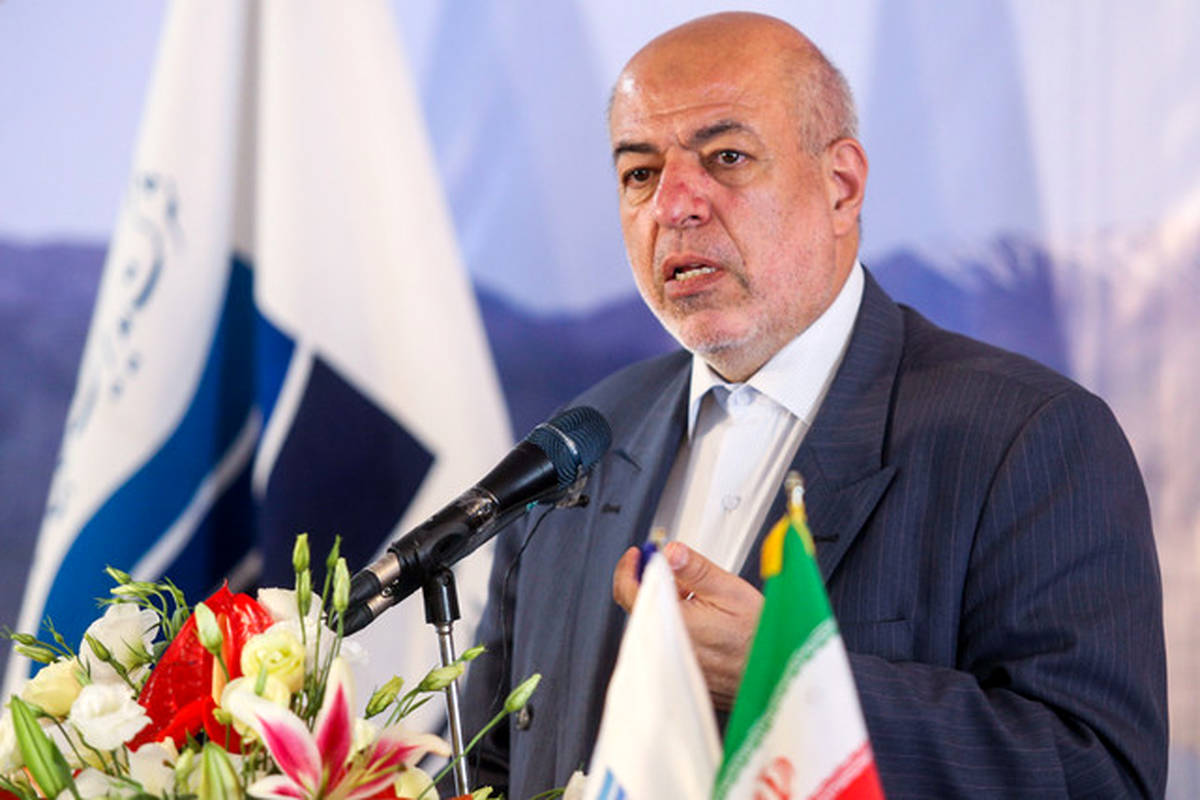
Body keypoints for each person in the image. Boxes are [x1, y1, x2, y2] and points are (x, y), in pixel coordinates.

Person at [459, 12, 1167, 798]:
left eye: (727, 157)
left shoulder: (1029, 437)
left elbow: (1097, 773)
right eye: (639, 173)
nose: (674, 204)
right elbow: (490, 765)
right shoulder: (577, 446)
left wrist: (793, 682)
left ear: (842, 185)